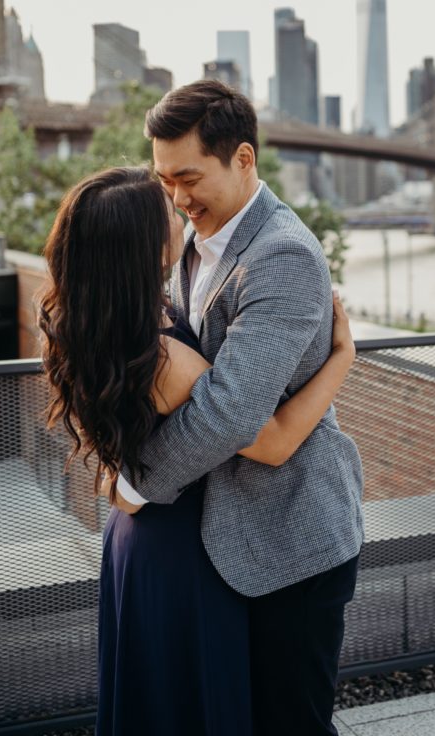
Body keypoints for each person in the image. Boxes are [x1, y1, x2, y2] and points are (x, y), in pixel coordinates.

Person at [39, 164, 357, 736]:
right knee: (196, 707)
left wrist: (124, 481)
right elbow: (273, 440)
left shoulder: (90, 330)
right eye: (165, 205)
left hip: (135, 540)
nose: (180, 209)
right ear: (139, 244)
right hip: (179, 549)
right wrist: (342, 360)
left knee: (159, 703)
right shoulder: (165, 358)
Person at [115, 80, 365, 736]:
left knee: (292, 725)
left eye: (189, 177)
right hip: (225, 544)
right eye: (164, 180)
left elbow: (228, 414)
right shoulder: (194, 239)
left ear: (243, 160)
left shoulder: (280, 255)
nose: (176, 197)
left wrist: (137, 479)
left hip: (290, 542)